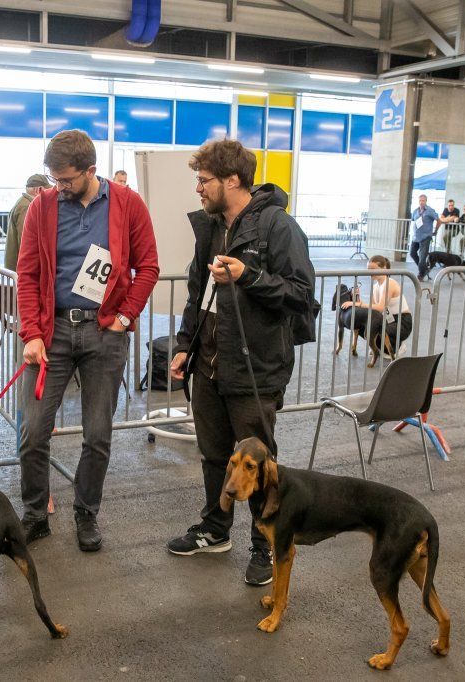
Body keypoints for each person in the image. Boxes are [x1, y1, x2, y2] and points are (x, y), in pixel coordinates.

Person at [165, 139, 315, 586]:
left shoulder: (277, 226)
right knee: (215, 455)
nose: (198, 188)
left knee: (258, 461)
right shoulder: (211, 228)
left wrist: (249, 277)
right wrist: (183, 344)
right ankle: (215, 529)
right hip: (208, 359)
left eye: (204, 180)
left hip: (257, 365)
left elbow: (301, 295)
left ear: (232, 180)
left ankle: (264, 544)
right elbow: (198, 292)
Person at [17, 129, 159, 552]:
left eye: (66, 180)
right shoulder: (41, 208)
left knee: (98, 434)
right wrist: (31, 333)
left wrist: (125, 315)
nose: (58, 187)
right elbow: (28, 274)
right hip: (52, 330)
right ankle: (35, 513)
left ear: (91, 171)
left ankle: (86, 512)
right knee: (32, 431)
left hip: (104, 335)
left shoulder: (128, 204)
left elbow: (148, 266)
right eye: (54, 179)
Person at [340, 255, 413, 361]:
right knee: (362, 326)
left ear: (384, 269)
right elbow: (372, 309)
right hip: (387, 320)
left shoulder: (390, 283)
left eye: (373, 269)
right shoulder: (376, 286)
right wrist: (357, 298)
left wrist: (357, 304)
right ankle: (383, 348)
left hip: (402, 321)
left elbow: (380, 308)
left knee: (377, 330)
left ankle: (398, 346)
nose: (370, 272)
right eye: (368, 269)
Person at [5, 174, 51, 272]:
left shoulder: (22, 202)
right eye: (47, 190)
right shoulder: (27, 207)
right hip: (24, 267)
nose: (48, 193)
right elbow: (25, 240)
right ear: (38, 190)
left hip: (19, 265)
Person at [410, 194, 438, 281]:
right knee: (412, 253)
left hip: (426, 237)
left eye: (423, 200)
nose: (421, 202)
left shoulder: (430, 210)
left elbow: (439, 220)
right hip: (416, 237)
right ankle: (424, 269)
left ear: (426, 201)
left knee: (422, 258)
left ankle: (421, 274)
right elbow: (413, 221)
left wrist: (435, 231)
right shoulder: (415, 211)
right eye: (420, 200)